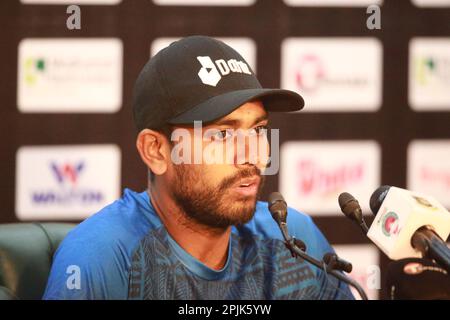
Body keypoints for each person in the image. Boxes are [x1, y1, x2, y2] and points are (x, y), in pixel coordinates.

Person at [43, 36, 354, 300]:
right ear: (156, 150)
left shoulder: (293, 241)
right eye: (222, 134)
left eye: (258, 130)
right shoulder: (101, 258)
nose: (254, 156)